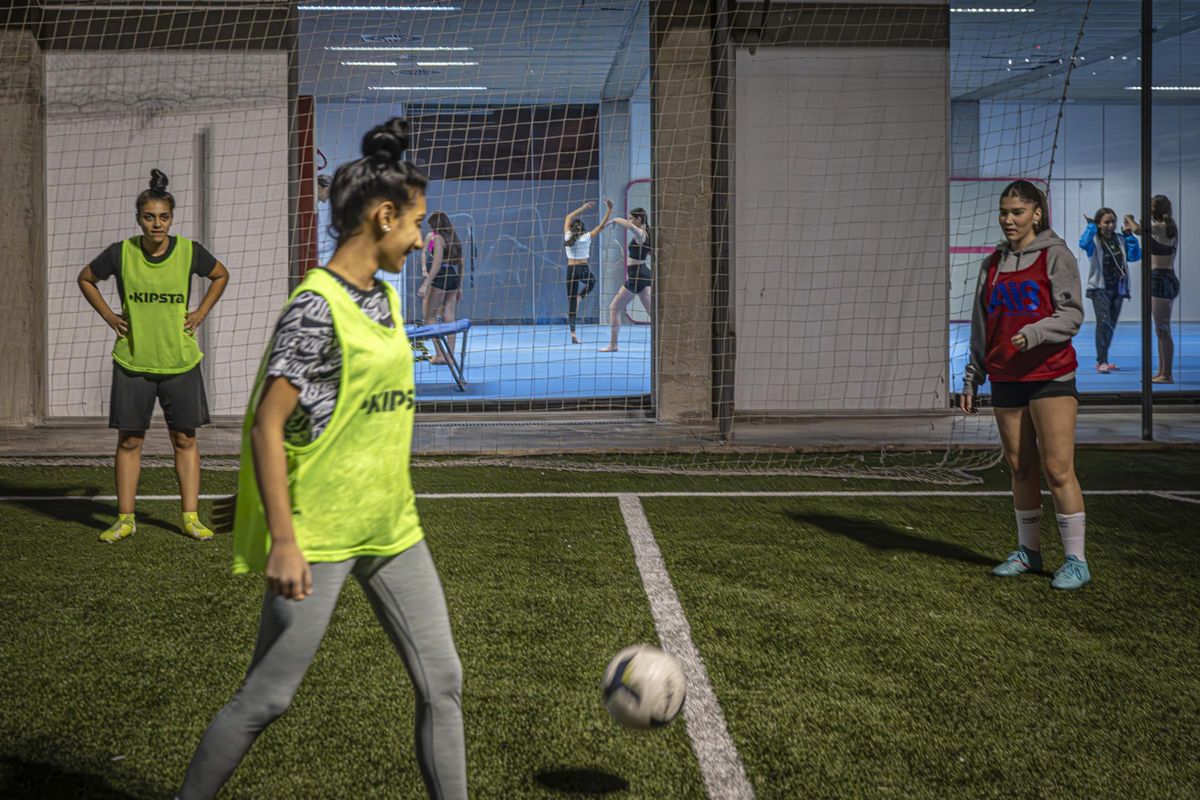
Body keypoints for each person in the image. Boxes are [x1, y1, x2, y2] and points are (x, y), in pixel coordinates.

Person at [177, 119, 467, 800]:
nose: (422, 239)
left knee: (443, 683)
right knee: (266, 700)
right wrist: (280, 534)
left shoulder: (386, 297)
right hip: (321, 536)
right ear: (383, 215)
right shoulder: (315, 308)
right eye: (416, 223)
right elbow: (267, 424)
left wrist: (252, 498)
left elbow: (325, 417)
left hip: (393, 528)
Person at [77, 169, 230, 544]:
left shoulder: (190, 251)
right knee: (130, 441)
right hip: (133, 362)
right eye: (149, 217)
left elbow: (221, 275)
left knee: (185, 440)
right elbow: (86, 278)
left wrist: (200, 314)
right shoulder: (121, 253)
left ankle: (190, 518)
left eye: (163, 217)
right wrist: (110, 316)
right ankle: (125, 519)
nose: (156, 224)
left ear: (171, 219)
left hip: (180, 362)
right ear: (138, 218)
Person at [960, 179, 1090, 591]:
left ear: (1037, 213)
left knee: (1057, 469)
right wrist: (973, 375)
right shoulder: (992, 265)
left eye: (1017, 212)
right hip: (1005, 378)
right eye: (1004, 212)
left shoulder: (1056, 256)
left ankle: (1076, 560)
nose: (1009, 220)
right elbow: (982, 326)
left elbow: (1071, 316)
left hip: (1050, 374)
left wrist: (1034, 333)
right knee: (1019, 467)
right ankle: (1028, 552)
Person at [1080, 207, 1141, 373]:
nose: (1111, 225)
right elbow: (1082, 243)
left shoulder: (1120, 239)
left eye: (1113, 221)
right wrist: (1091, 226)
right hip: (1099, 289)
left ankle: (1104, 359)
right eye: (1106, 222)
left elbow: (1135, 256)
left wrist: (1129, 235)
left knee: (1111, 325)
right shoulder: (1094, 241)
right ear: (1100, 224)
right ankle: (1101, 361)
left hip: (1118, 289)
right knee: (1104, 322)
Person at [1137, 195, 1180, 384]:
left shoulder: (1162, 227)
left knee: (1163, 329)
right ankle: (1162, 371)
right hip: (1163, 278)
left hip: (1162, 279)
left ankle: (1167, 374)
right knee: (1161, 330)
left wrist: (1131, 219)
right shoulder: (1167, 228)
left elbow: (1139, 229)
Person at [599, 207, 652, 353]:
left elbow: (629, 226)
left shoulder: (641, 233)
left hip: (637, 276)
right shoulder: (645, 233)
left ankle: (613, 344)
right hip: (642, 274)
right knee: (653, 312)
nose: (629, 220)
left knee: (614, 307)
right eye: (628, 218)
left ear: (639, 219)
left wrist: (614, 219)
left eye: (631, 218)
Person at [563, 198, 613, 344]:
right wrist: (609, 210)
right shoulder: (587, 236)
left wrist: (584, 207)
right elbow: (602, 226)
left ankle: (573, 334)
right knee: (592, 281)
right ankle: (581, 296)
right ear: (583, 228)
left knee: (571, 304)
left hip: (571, 270)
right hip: (583, 269)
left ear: (572, 228)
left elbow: (568, 217)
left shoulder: (567, 236)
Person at [419, 211, 464, 364]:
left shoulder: (437, 238)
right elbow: (461, 263)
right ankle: (450, 356)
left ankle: (440, 355)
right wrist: (459, 285)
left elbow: (437, 263)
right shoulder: (453, 238)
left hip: (441, 278)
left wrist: (426, 284)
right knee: (449, 315)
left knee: (429, 317)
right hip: (452, 276)